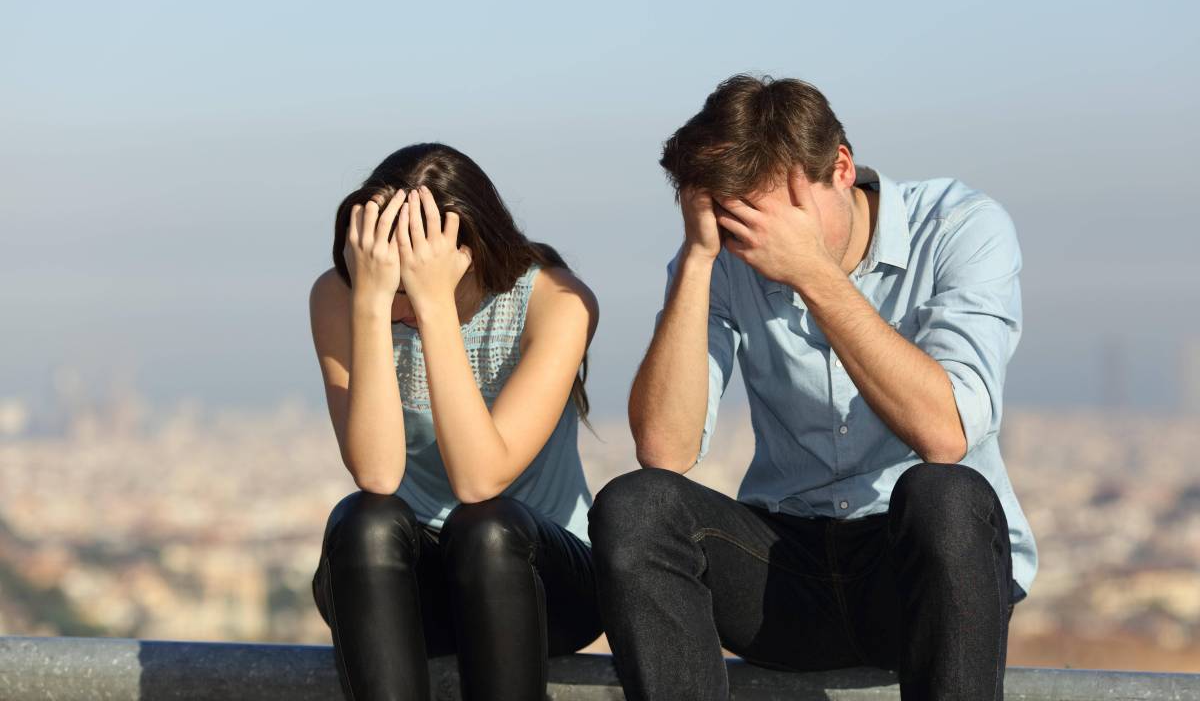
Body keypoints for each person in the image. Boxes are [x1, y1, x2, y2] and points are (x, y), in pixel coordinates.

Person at [588, 75, 1037, 701]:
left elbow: (946, 433)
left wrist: (813, 274)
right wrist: (696, 257)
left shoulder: (961, 226)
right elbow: (665, 450)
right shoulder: (722, 254)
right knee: (635, 506)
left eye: (770, 213)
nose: (755, 238)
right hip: (788, 575)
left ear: (842, 169)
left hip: (922, 579)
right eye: (732, 215)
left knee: (945, 495)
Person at [308, 143, 602, 701]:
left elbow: (478, 480)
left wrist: (435, 307)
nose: (402, 310)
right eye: (389, 287)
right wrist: (368, 303)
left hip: (538, 585)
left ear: (469, 256)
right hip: (404, 590)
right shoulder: (340, 296)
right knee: (362, 519)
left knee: (484, 528)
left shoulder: (556, 301)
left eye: (408, 289)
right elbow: (377, 473)